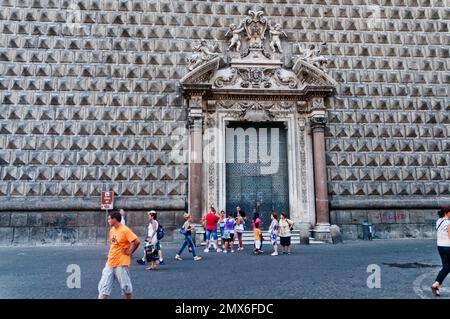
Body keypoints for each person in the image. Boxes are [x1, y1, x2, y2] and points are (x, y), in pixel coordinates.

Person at [98, 211, 140, 299]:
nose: (108, 220)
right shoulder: (112, 230)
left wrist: (130, 252)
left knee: (126, 288)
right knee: (103, 288)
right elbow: (113, 245)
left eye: (109, 218)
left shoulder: (125, 230)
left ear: (115, 219)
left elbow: (137, 241)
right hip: (110, 262)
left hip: (121, 263)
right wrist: (109, 254)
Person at [431, 207, 450, 296]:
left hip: (440, 247)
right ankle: (436, 284)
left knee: (446, 267)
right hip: (448, 247)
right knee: (447, 268)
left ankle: (436, 285)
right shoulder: (448, 223)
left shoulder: (438, 221)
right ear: (446, 212)